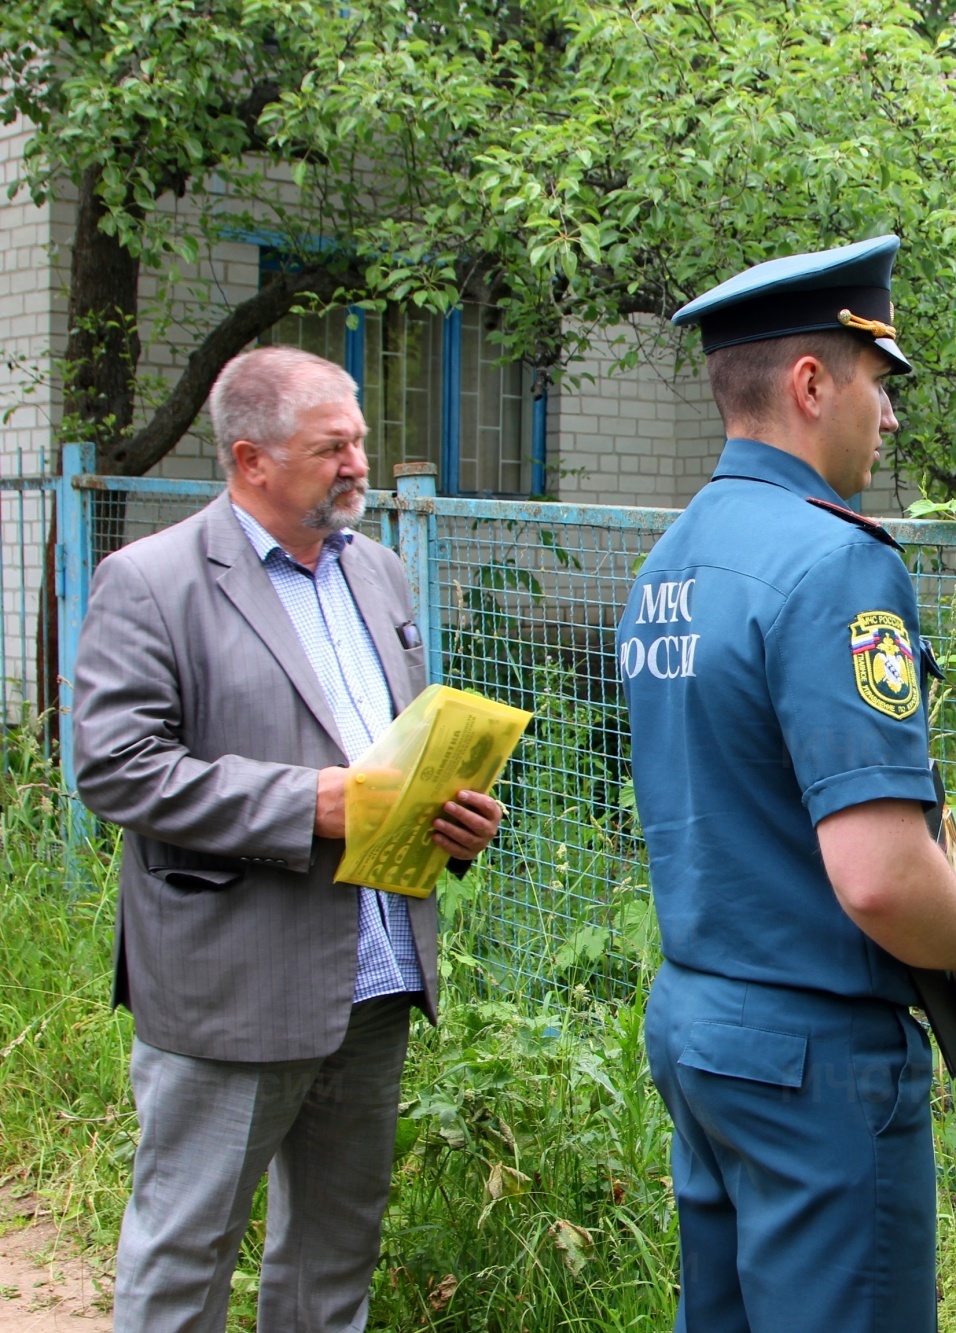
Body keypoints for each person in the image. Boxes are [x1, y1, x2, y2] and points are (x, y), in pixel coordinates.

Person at [72, 345, 505, 1333]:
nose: (358, 463)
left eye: (359, 439)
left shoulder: (382, 574)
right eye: (331, 447)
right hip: (234, 980)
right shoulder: (151, 581)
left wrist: (455, 821)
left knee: (332, 1256)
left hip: (376, 973)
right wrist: (306, 804)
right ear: (250, 460)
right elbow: (116, 767)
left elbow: (398, 747)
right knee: (186, 1252)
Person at [618, 235, 956, 1333]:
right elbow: (878, 878)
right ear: (808, 384)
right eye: (877, 385)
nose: (888, 417)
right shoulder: (836, 561)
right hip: (813, 1058)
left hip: (702, 1023)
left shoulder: (672, 562)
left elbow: (751, 798)